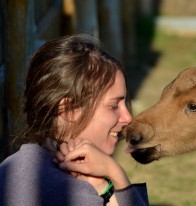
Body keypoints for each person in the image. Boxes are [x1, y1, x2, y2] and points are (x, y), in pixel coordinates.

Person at [0, 34, 149, 206]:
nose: (128, 118)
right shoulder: (72, 194)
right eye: (114, 106)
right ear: (69, 110)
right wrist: (117, 175)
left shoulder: (9, 168)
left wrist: (101, 185)